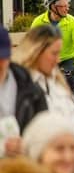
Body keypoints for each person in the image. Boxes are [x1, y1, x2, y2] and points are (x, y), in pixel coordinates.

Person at [12, 25, 74, 122]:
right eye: (54, 53)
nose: (58, 60)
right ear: (35, 51)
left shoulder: (58, 82)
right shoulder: (18, 83)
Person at [0, 25, 48, 157]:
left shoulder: (31, 89)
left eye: (1, 58)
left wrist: (28, 145)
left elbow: (44, 129)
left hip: (23, 167)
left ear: (10, 53)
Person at [31, 0, 74, 95]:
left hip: (68, 59)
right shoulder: (38, 22)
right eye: (63, 6)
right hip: (47, 59)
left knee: (72, 88)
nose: (67, 8)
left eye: (67, 5)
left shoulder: (72, 22)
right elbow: (31, 44)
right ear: (52, 7)